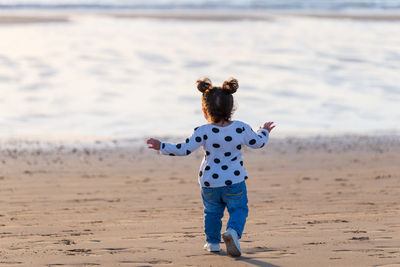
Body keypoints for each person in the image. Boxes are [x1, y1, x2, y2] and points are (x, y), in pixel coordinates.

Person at [147, 77, 275, 257]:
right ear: (231, 109)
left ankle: (213, 242)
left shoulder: (202, 131)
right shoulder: (241, 128)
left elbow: (184, 149)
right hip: (235, 181)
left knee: (212, 213)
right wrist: (264, 131)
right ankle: (232, 232)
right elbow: (258, 143)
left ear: (204, 110)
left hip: (209, 182)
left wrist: (162, 146)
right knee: (238, 209)